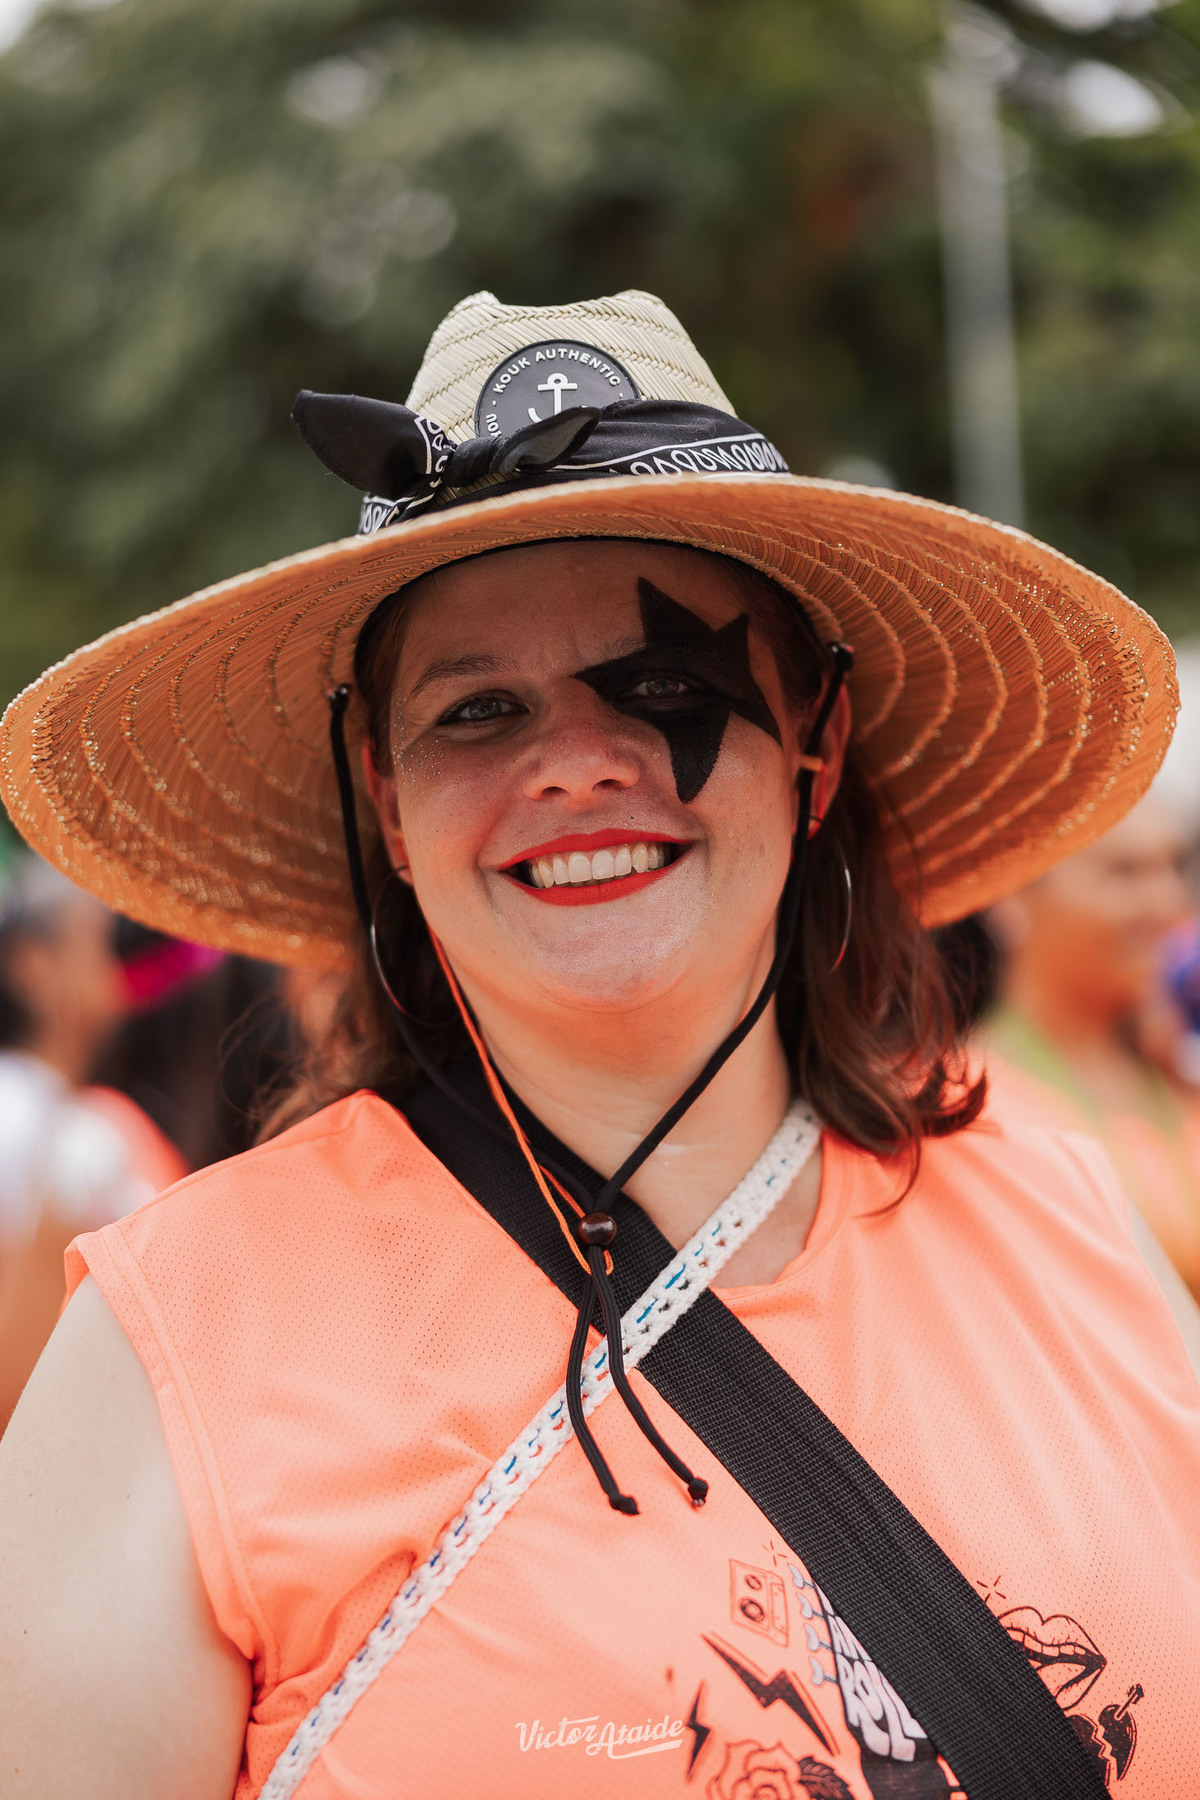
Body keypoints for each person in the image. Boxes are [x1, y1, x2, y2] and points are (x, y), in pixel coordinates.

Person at [0, 288, 1197, 1800]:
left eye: (665, 683)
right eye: (478, 710)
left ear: (816, 742)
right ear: (386, 799)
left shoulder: (1083, 1236)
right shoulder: (172, 1351)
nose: (575, 766)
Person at [983, 790, 1200, 1298]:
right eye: (1124, 873)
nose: (1168, 903)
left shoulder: (1175, 1068)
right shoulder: (967, 1098)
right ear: (1011, 894)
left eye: (1173, 868)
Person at [0, 855, 184, 1429]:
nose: (112, 968)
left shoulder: (65, 1117)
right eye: (97, 944)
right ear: (35, 969)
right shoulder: (21, 1116)